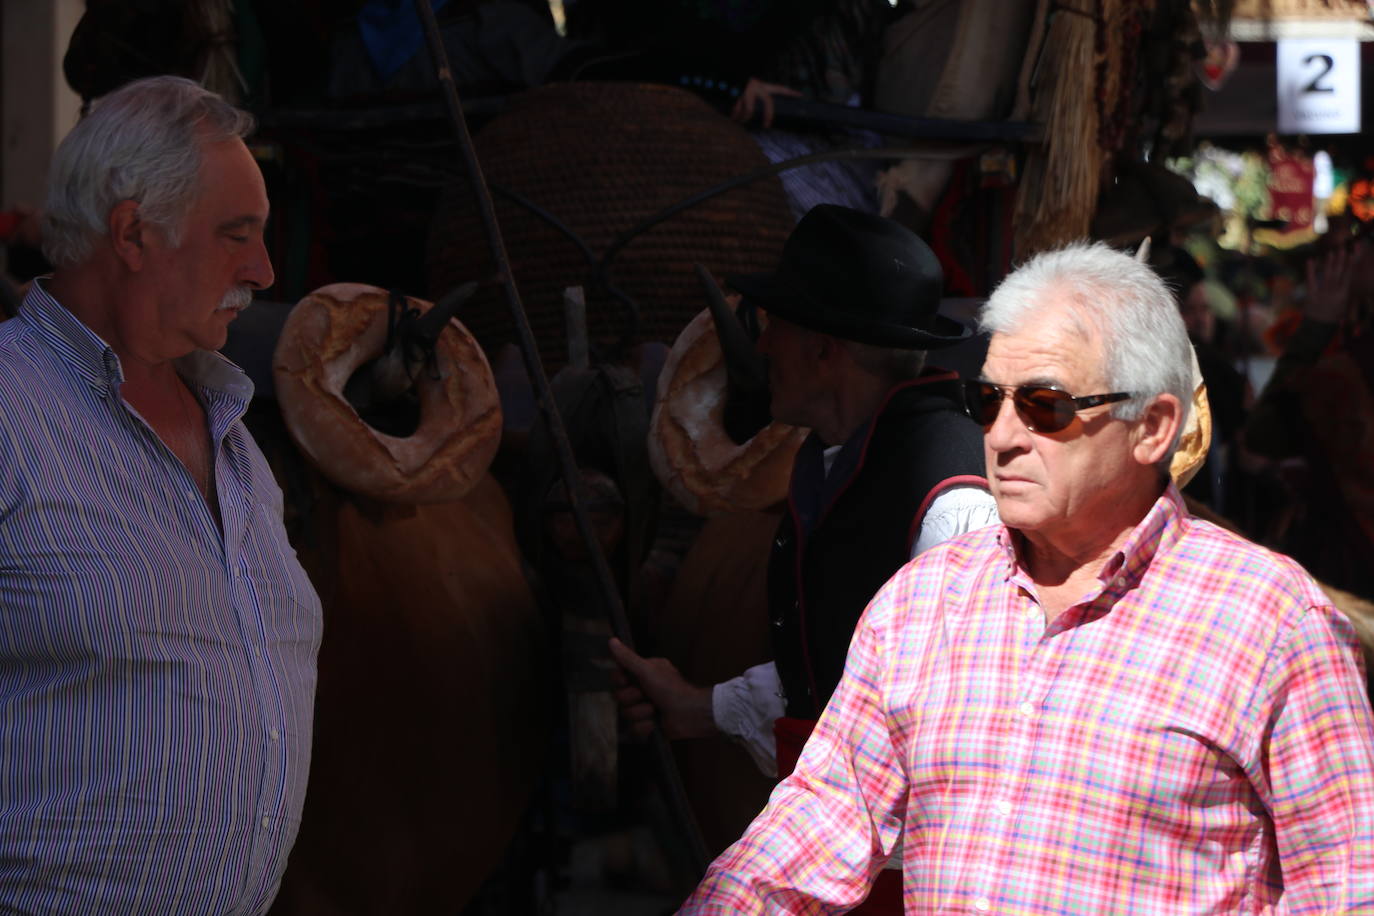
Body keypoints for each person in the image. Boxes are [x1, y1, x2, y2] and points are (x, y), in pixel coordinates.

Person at [679, 241, 1374, 913]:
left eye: (1046, 405)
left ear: (1153, 428)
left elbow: (1349, 884)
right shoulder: (922, 605)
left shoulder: (1272, 624)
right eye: (989, 401)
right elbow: (818, 824)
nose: (1004, 434)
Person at [0, 76, 322, 914]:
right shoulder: (8, 408)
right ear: (134, 234)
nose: (263, 269)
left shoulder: (235, 433)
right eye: (235, 236)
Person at [611, 205, 996, 779]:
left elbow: (954, 725)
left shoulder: (950, 501)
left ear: (823, 352)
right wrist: (699, 707)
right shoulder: (835, 459)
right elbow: (825, 669)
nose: (762, 348)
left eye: (777, 327)